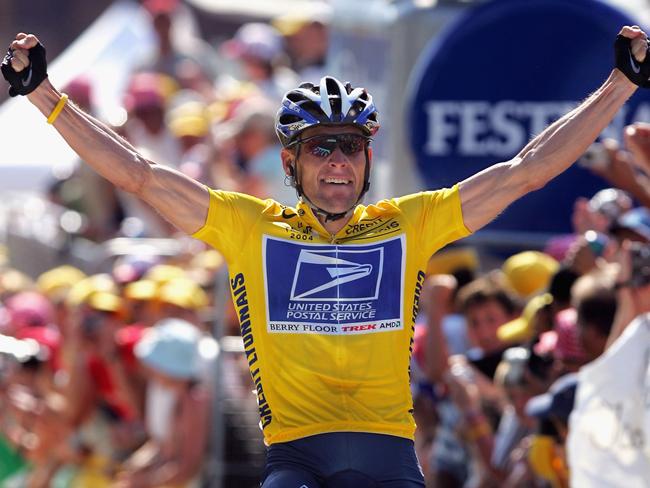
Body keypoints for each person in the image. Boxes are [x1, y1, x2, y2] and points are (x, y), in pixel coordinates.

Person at [2, 25, 649, 487]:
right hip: (296, 460)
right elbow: (138, 175)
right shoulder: (249, 225)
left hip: (389, 455)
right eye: (320, 147)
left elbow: (524, 172)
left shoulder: (407, 223)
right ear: (290, 161)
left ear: (368, 159)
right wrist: (44, 97)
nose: (338, 161)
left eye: (350, 146)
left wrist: (622, 84)